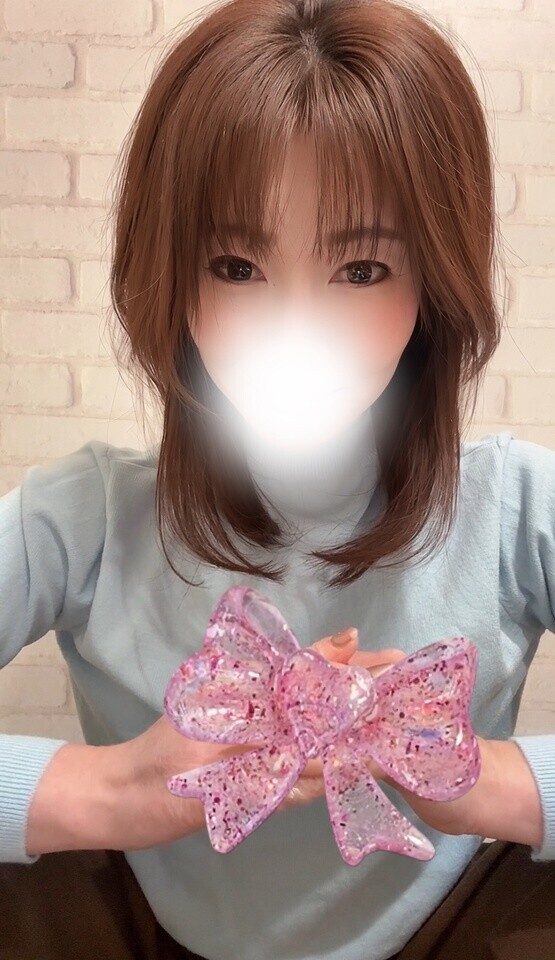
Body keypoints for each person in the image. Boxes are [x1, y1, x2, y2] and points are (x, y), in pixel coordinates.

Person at [0, 0, 554, 958]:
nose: (296, 329)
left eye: (361, 268)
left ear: (432, 287)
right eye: (235, 264)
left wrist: (499, 784)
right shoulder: (81, 518)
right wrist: (112, 790)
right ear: (171, 278)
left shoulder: (517, 509)